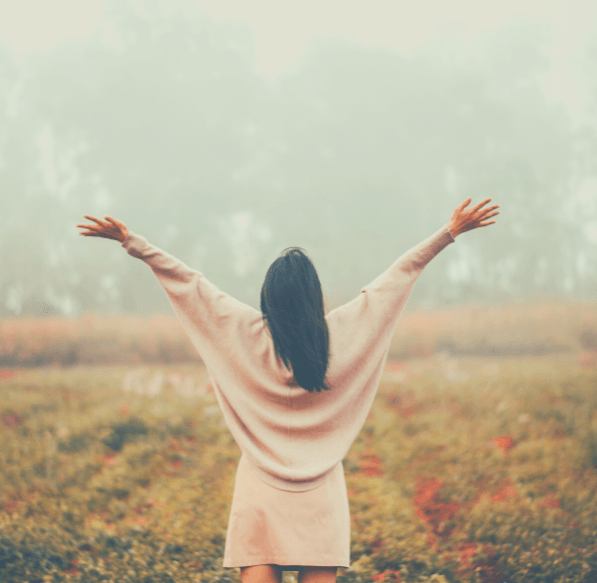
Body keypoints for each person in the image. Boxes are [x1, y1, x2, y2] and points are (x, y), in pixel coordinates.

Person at [77, 197, 499, 583]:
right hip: (322, 494)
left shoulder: (244, 332)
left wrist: (132, 242)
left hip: (260, 488)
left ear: (268, 298)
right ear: (315, 296)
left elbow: (190, 283)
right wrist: (448, 233)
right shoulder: (342, 335)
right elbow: (395, 281)